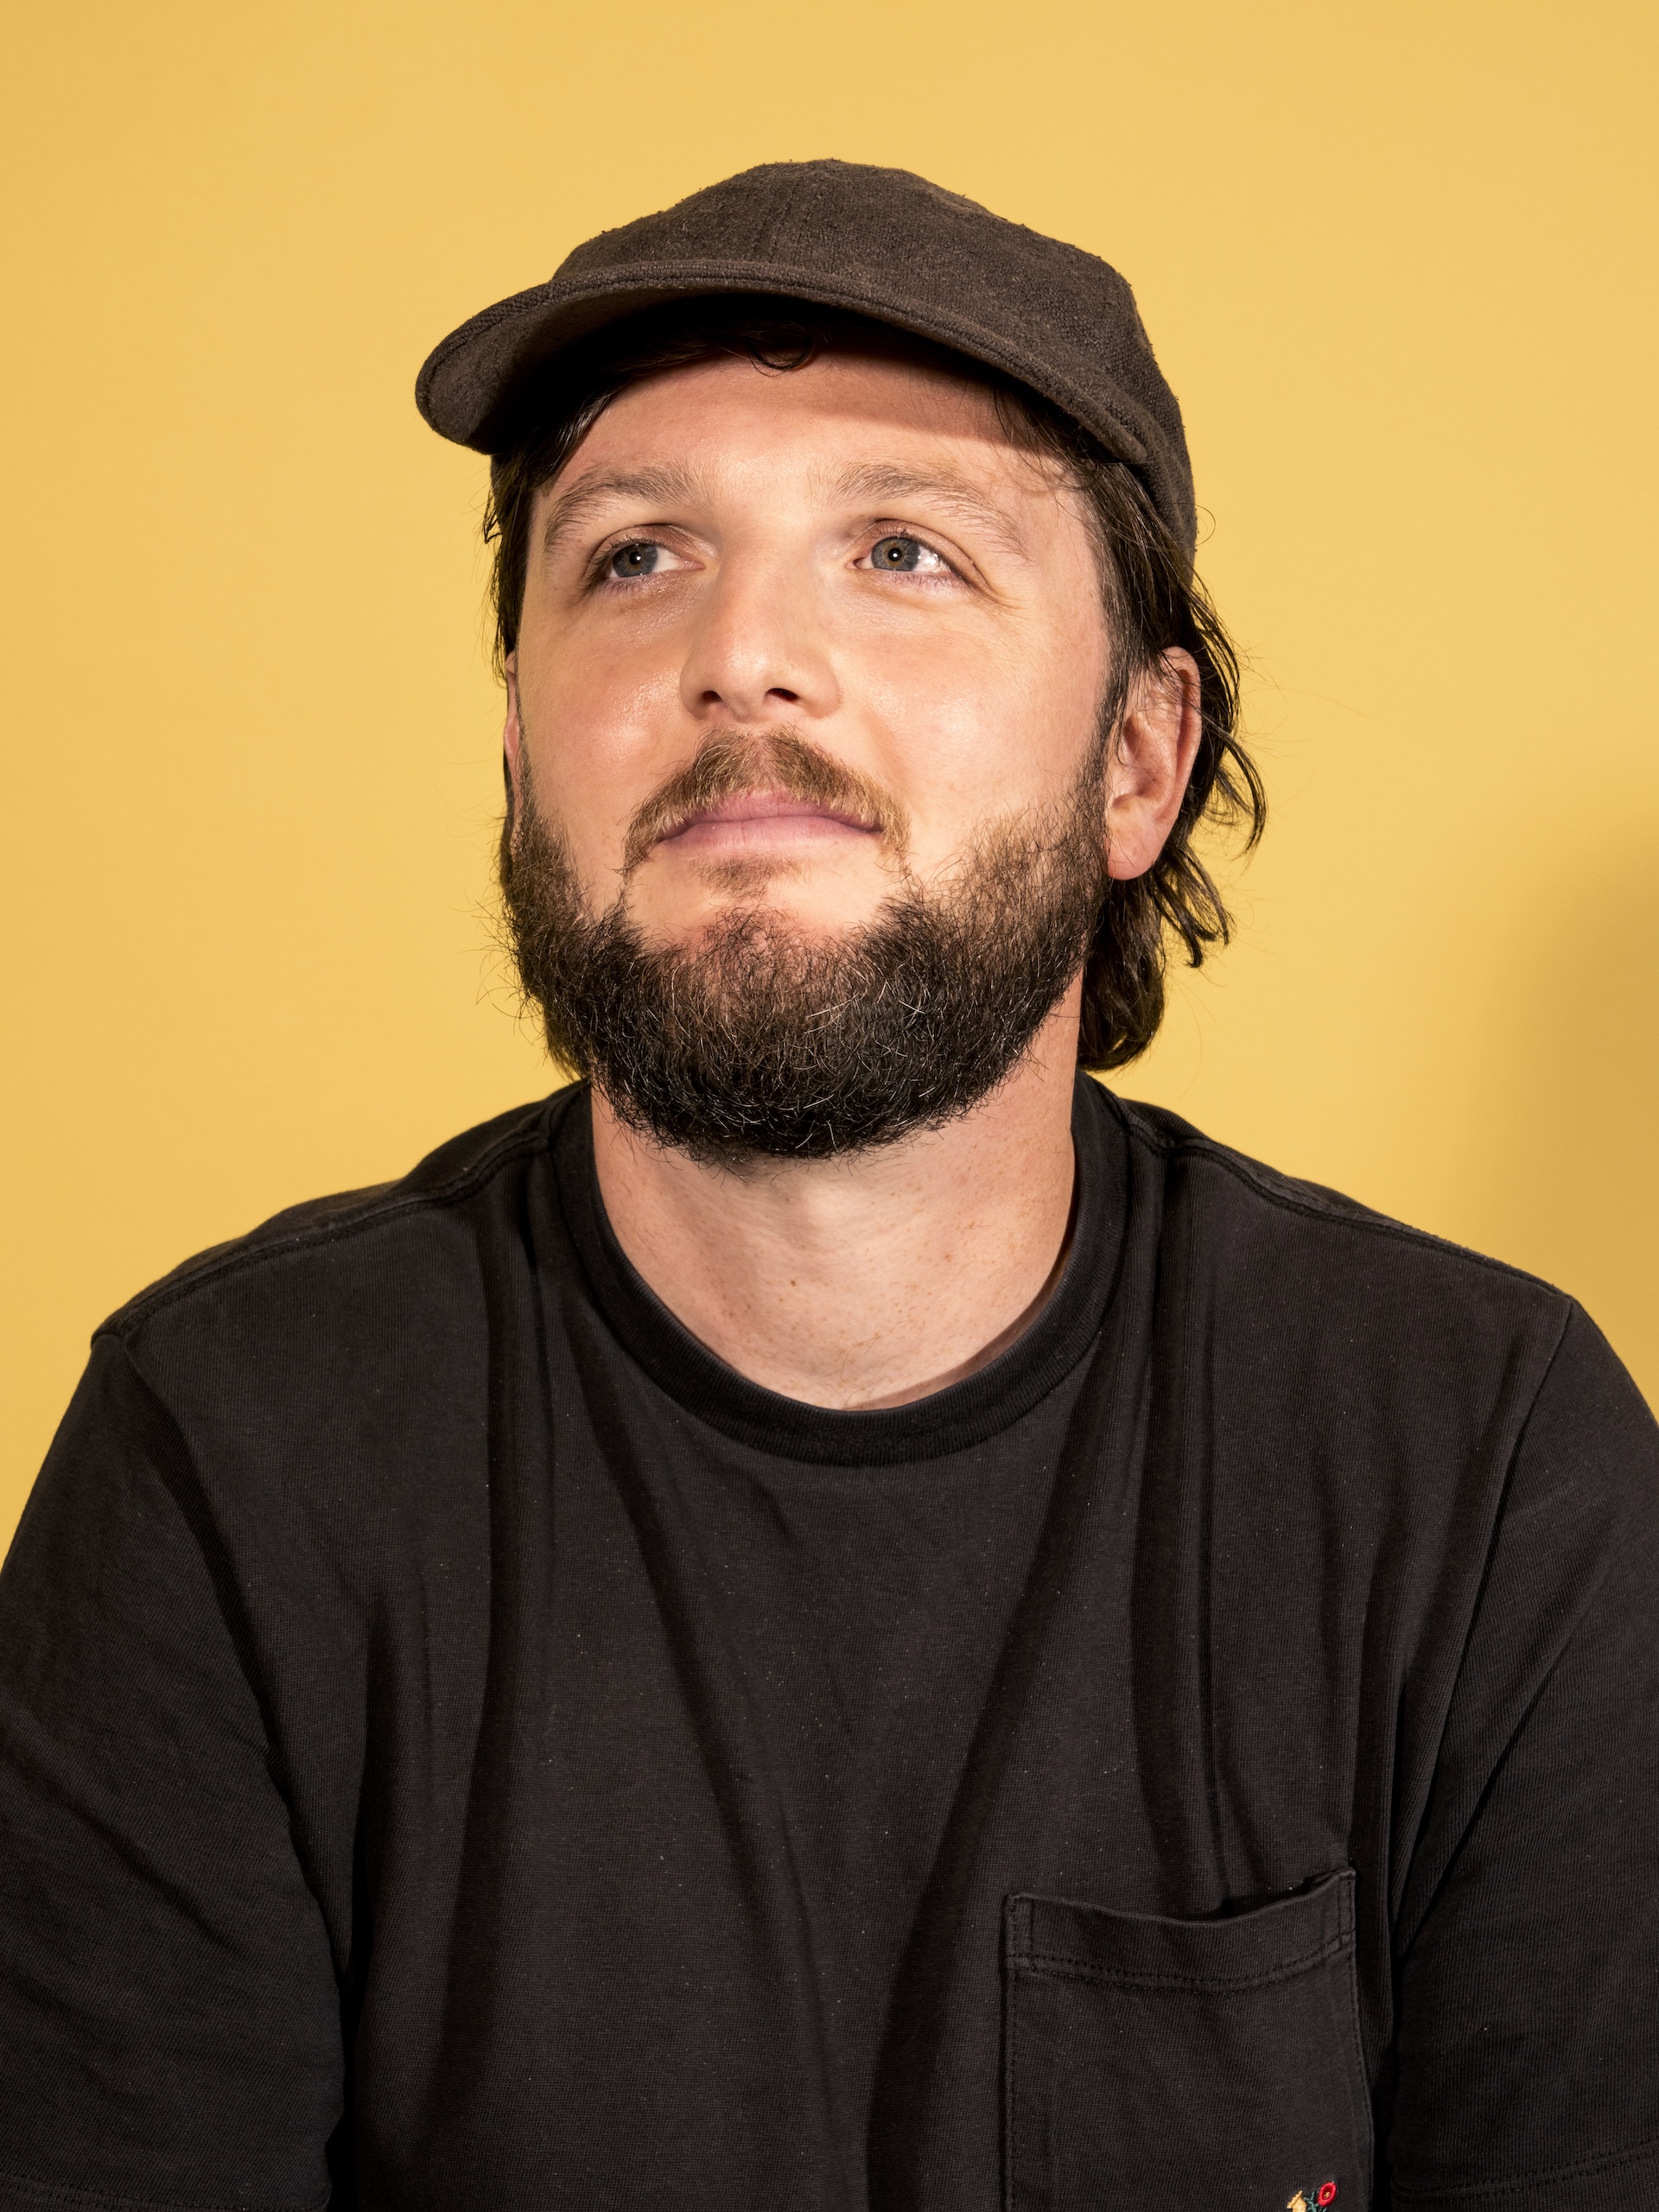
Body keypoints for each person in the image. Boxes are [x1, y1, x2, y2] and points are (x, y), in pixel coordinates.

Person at [0, 160, 1655, 2212]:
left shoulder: (1485, 1468)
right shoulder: (229, 1458)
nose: (746, 655)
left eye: (901, 549)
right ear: (520, 755)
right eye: (635, 557)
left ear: (1139, 761)